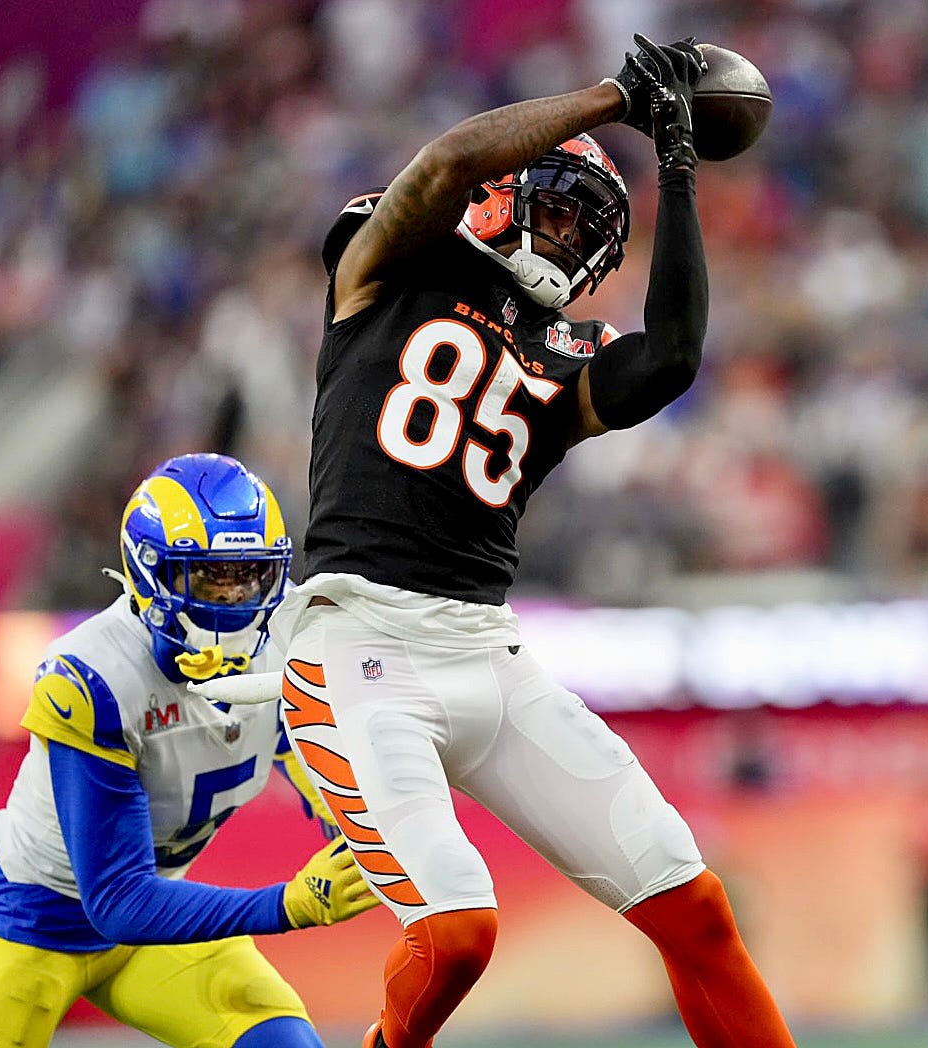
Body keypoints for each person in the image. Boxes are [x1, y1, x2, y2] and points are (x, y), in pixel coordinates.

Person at [267, 32, 795, 1048]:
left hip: (484, 648)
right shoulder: (393, 257)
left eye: (585, 227)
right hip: (354, 642)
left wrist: (675, 168)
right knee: (459, 932)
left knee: (694, 907)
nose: (562, 236)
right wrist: (610, 97)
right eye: (552, 206)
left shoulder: (564, 355)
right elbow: (441, 167)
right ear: (505, 197)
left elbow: (675, 355)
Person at [0, 454, 379, 1047]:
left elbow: (301, 744)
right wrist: (287, 904)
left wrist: (363, 828)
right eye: (213, 576)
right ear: (151, 573)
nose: (238, 598)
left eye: (252, 574)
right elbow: (117, 898)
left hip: (157, 925)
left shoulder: (291, 627)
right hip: (36, 917)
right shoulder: (95, 679)